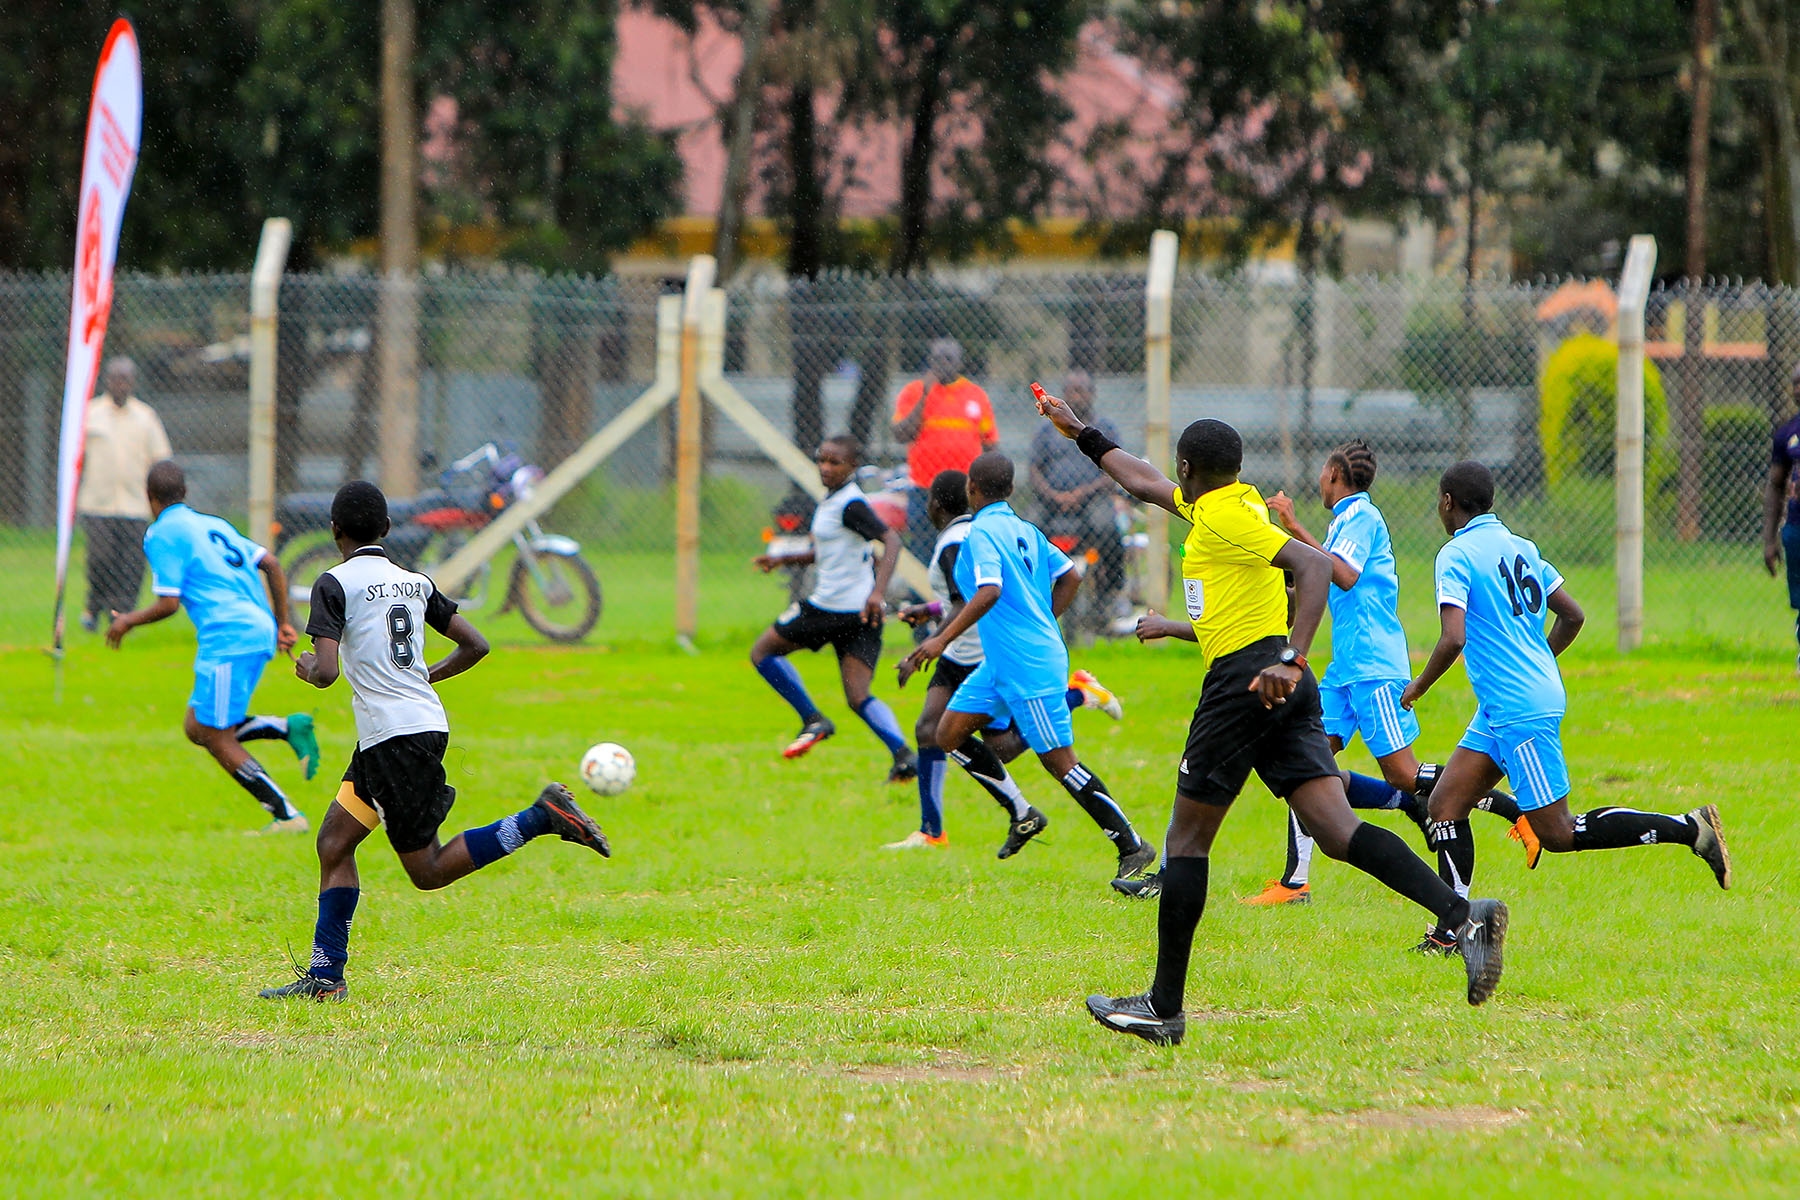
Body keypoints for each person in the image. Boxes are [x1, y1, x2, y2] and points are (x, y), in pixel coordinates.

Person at [1033, 390, 1509, 1046]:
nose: (1171, 479)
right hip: (1281, 687)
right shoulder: (1224, 503)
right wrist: (1078, 430)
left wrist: (1292, 655)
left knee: (1185, 843)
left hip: (1245, 682)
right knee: (1337, 830)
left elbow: (1311, 565)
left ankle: (1163, 1008)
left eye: (1177, 470)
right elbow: (1140, 479)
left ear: (1191, 468)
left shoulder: (1226, 519)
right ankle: (1464, 913)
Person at [260, 480, 611, 1002]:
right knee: (334, 842)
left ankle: (541, 817)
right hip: (402, 732)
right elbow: (477, 644)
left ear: (335, 532)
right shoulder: (413, 582)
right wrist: (424, 677)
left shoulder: (333, 584)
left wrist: (308, 667)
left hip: (395, 740)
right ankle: (325, 977)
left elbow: (328, 671)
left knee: (427, 870)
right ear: (385, 529)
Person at [1401, 461, 1731, 949]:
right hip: (1509, 702)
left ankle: (1690, 828)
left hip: (1519, 709)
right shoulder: (1523, 548)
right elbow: (1573, 614)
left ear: (1447, 502)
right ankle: (1455, 929)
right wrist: (1537, 661)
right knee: (1445, 805)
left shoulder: (1455, 554)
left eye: (1438, 501)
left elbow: (1453, 637)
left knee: (1557, 833)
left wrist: (1418, 688)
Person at [1214, 440, 1527, 925]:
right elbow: (1326, 572)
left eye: (1322, 469)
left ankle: (1508, 808)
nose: (1319, 478)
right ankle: (1295, 882)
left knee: (1403, 773)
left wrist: (1291, 532)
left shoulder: (1361, 515)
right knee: (1309, 763)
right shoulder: (1344, 521)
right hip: (1345, 668)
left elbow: (1341, 573)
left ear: (1336, 474)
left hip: (1375, 665)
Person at [900, 453, 1157, 883]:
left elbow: (988, 591)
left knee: (1061, 763)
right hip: (1002, 663)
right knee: (946, 733)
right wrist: (1043, 619)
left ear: (972, 489)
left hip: (1027, 664)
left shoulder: (982, 533)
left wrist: (939, 639)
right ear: (1011, 489)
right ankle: (1022, 814)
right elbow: (1071, 576)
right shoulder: (1026, 529)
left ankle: (1131, 844)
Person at [105, 460, 321, 834]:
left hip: (229, 637)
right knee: (197, 726)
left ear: (150, 498)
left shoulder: (162, 533)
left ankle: (286, 815)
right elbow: (270, 562)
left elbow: (168, 603)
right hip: (253, 630)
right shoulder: (214, 524)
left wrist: (126, 620)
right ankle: (288, 728)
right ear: (185, 493)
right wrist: (282, 621)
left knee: (215, 736)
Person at [751, 435, 917, 782]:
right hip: (860, 617)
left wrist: (878, 592)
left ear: (852, 467)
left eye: (835, 462)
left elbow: (891, 539)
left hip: (830, 610)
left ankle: (813, 719)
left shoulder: (850, 504)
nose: (825, 467)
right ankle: (904, 758)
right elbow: (830, 552)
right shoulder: (835, 502)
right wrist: (783, 559)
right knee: (858, 696)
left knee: (763, 653)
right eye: (822, 460)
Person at [78, 356, 171, 631]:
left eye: (126, 379)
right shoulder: (90, 413)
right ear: (107, 380)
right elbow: (75, 458)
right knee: (100, 559)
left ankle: (122, 614)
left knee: (130, 564)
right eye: (115, 378)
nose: (120, 384)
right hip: (98, 503)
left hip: (135, 504)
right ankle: (94, 608)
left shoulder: (146, 417)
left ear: (133, 382)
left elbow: (161, 458)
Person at [890, 339, 998, 566]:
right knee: (924, 549)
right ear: (929, 361)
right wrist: (925, 396)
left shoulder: (975, 394)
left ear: (960, 363)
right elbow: (901, 434)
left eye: (948, 359)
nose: (942, 364)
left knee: (964, 549)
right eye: (937, 359)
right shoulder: (914, 391)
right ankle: (923, 599)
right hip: (925, 488)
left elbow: (990, 444)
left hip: (966, 489)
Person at [1028, 370, 1123, 609]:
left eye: (1081, 390)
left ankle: (1109, 590)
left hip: (1093, 499)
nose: (1076, 395)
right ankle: (1027, 587)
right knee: (1027, 528)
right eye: (1071, 390)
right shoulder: (1047, 430)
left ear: (1092, 394)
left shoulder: (1105, 428)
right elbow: (1034, 470)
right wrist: (1053, 495)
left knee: (1106, 526)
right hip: (1050, 501)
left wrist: (1082, 494)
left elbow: (1114, 471)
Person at [1762, 361, 1800, 673]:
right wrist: (1770, 540)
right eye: (1795, 383)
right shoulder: (1787, 434)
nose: (1799, 389)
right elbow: (1775, 486)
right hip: (1797, 530)